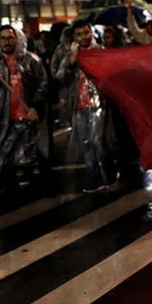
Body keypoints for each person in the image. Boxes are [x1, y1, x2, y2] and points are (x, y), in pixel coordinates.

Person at [0, 26, 48, 197]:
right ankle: (11, 192)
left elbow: (43, 84)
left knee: (32, 154)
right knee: (5, 156)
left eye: (10, 38)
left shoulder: (31, 59)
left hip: (26, 114)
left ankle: (44, 186)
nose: (6, 42)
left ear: (17, 39)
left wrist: (36, 106)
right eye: (2, 38)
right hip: (4, 118)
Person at [56, 21, 117, 193]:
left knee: (98, 141)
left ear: (91, 32)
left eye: (86, 32)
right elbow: (60, 77)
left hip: (99, 103)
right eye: (79, 34)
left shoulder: (100, 52)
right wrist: (71, 62)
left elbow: (110, 74)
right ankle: (94, 178)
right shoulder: (71, 54)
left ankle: (109, 174)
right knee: (86, 143)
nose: (83, 37)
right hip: (78, 105)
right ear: (74, 36)